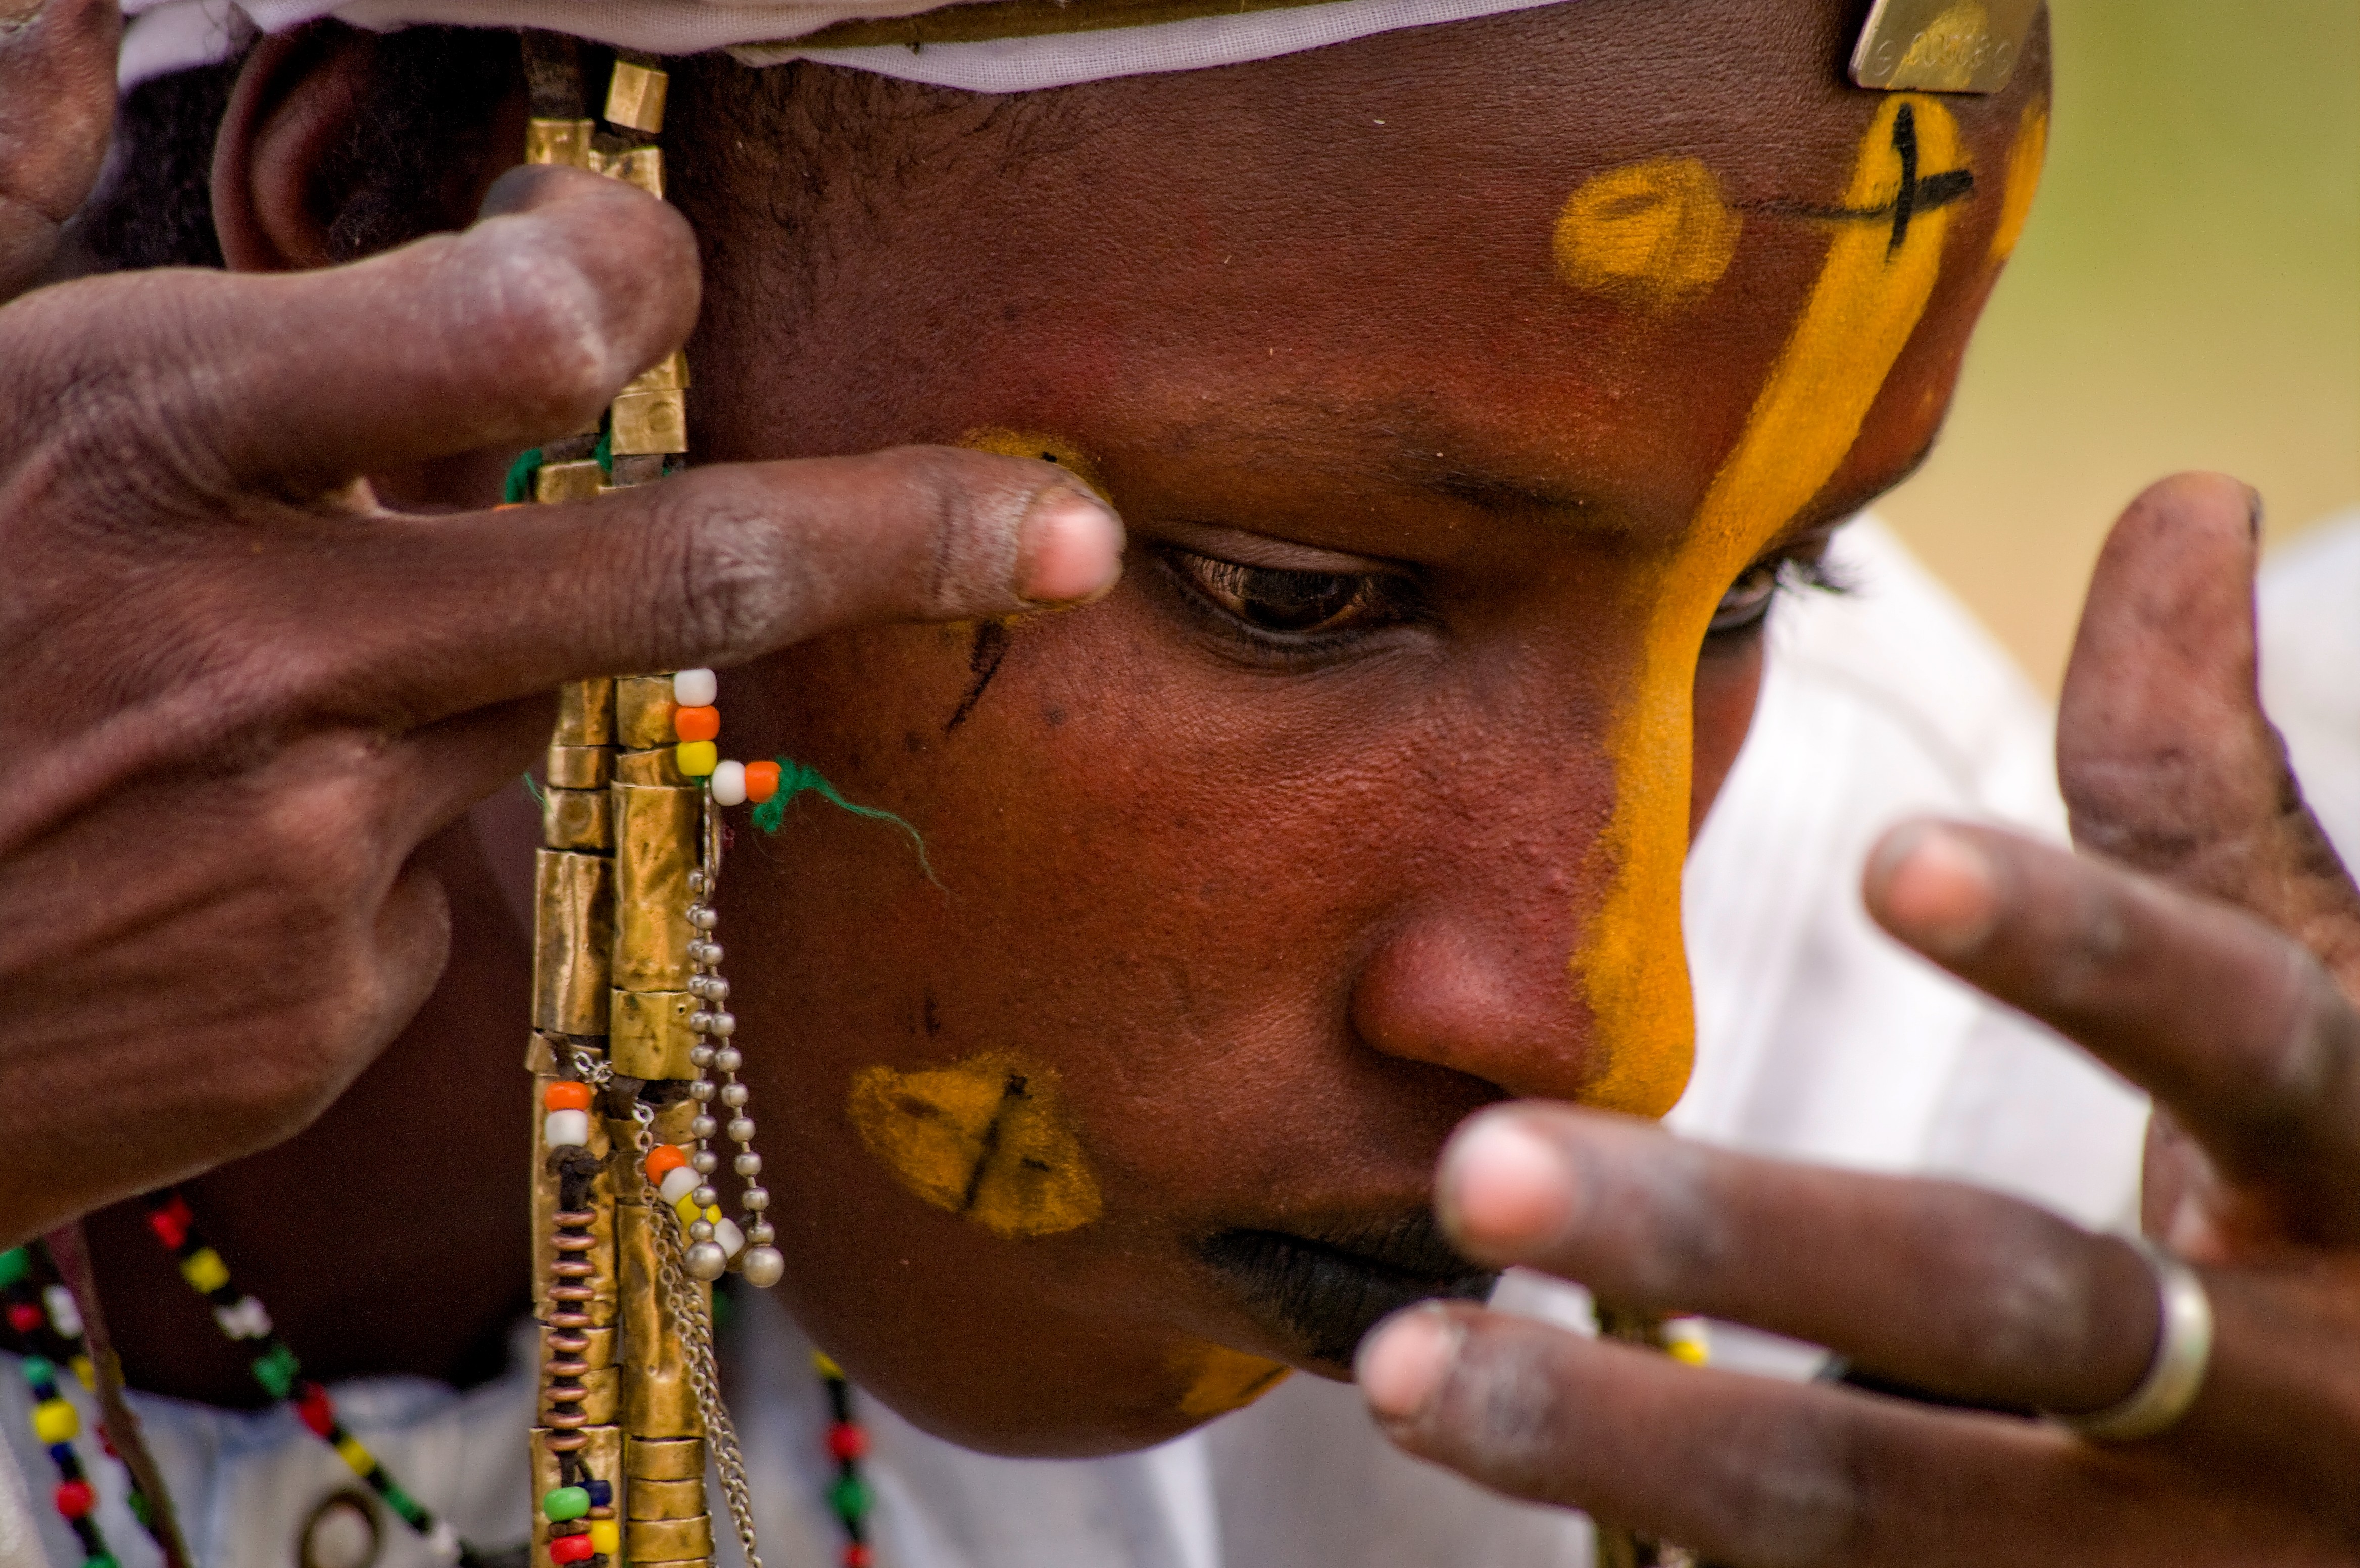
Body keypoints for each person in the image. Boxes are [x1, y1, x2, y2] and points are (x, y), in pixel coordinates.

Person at [1, 1, 2354, 1564]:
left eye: (1768, 586)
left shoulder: (1932, 1112)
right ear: (447, 327)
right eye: (1298, 596)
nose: (1603, 1020)